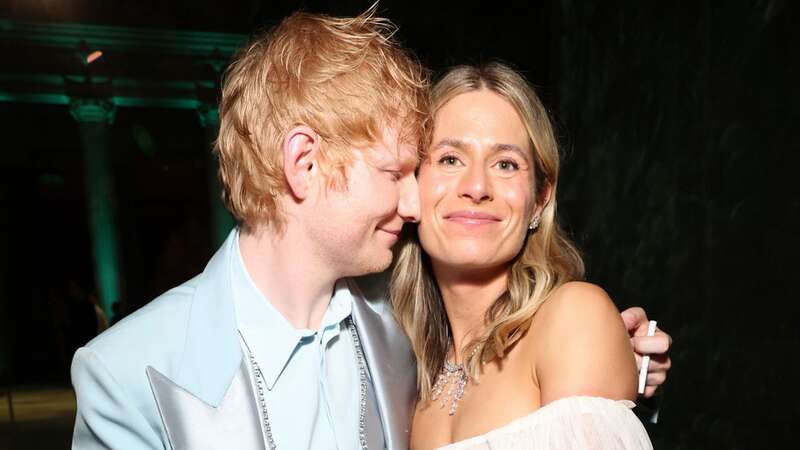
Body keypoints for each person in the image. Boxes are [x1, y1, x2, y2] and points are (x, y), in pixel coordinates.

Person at [71, 9, 670, 450]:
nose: (415, 201)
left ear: (541, 196)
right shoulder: (126, 375)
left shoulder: (391, 335)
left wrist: (614, 365)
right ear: (303, 164)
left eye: (507, 163)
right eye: (407, 169)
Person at [392, 63, 667, 450]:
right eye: (450, 159)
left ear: (540, 199)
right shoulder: (400, 370)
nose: (476, 187)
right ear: (410, 182)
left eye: (505, 164)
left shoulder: (573, 318)